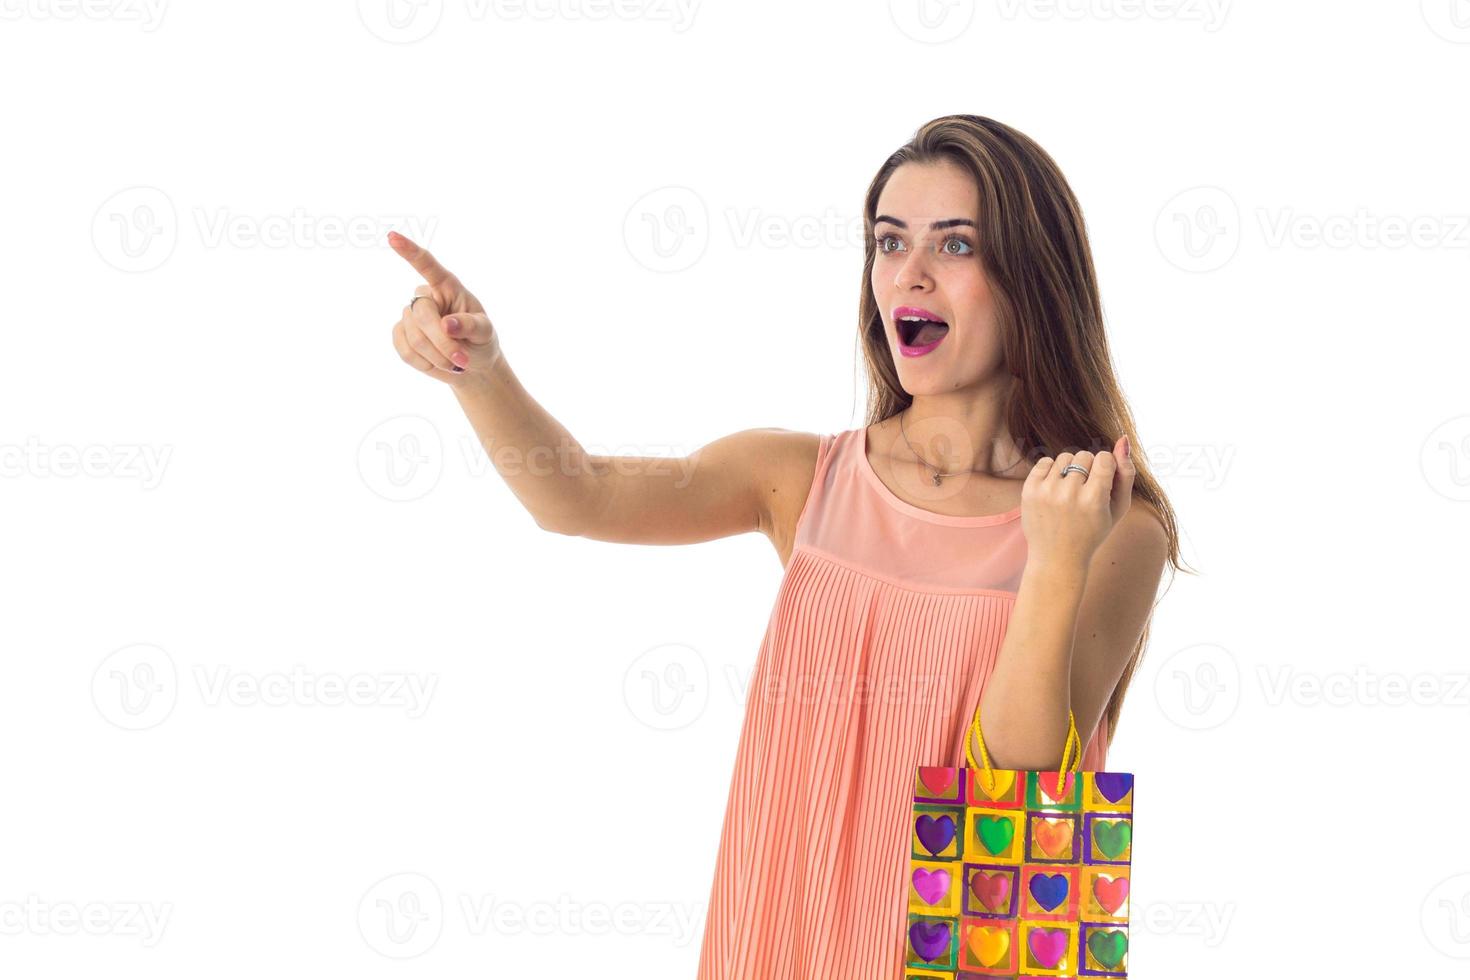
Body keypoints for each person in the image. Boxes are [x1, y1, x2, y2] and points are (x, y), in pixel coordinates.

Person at [385, 112, 1186, 978]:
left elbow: (1024, 798)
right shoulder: (802, 477)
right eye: (888, 242)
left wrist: (1056, 563)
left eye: (954, 246)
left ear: (1031, 277)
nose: (908, 274)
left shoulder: (1107, 523)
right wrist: (480, 368)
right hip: (785, 931)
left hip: (964, 955)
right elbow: (579, 496)